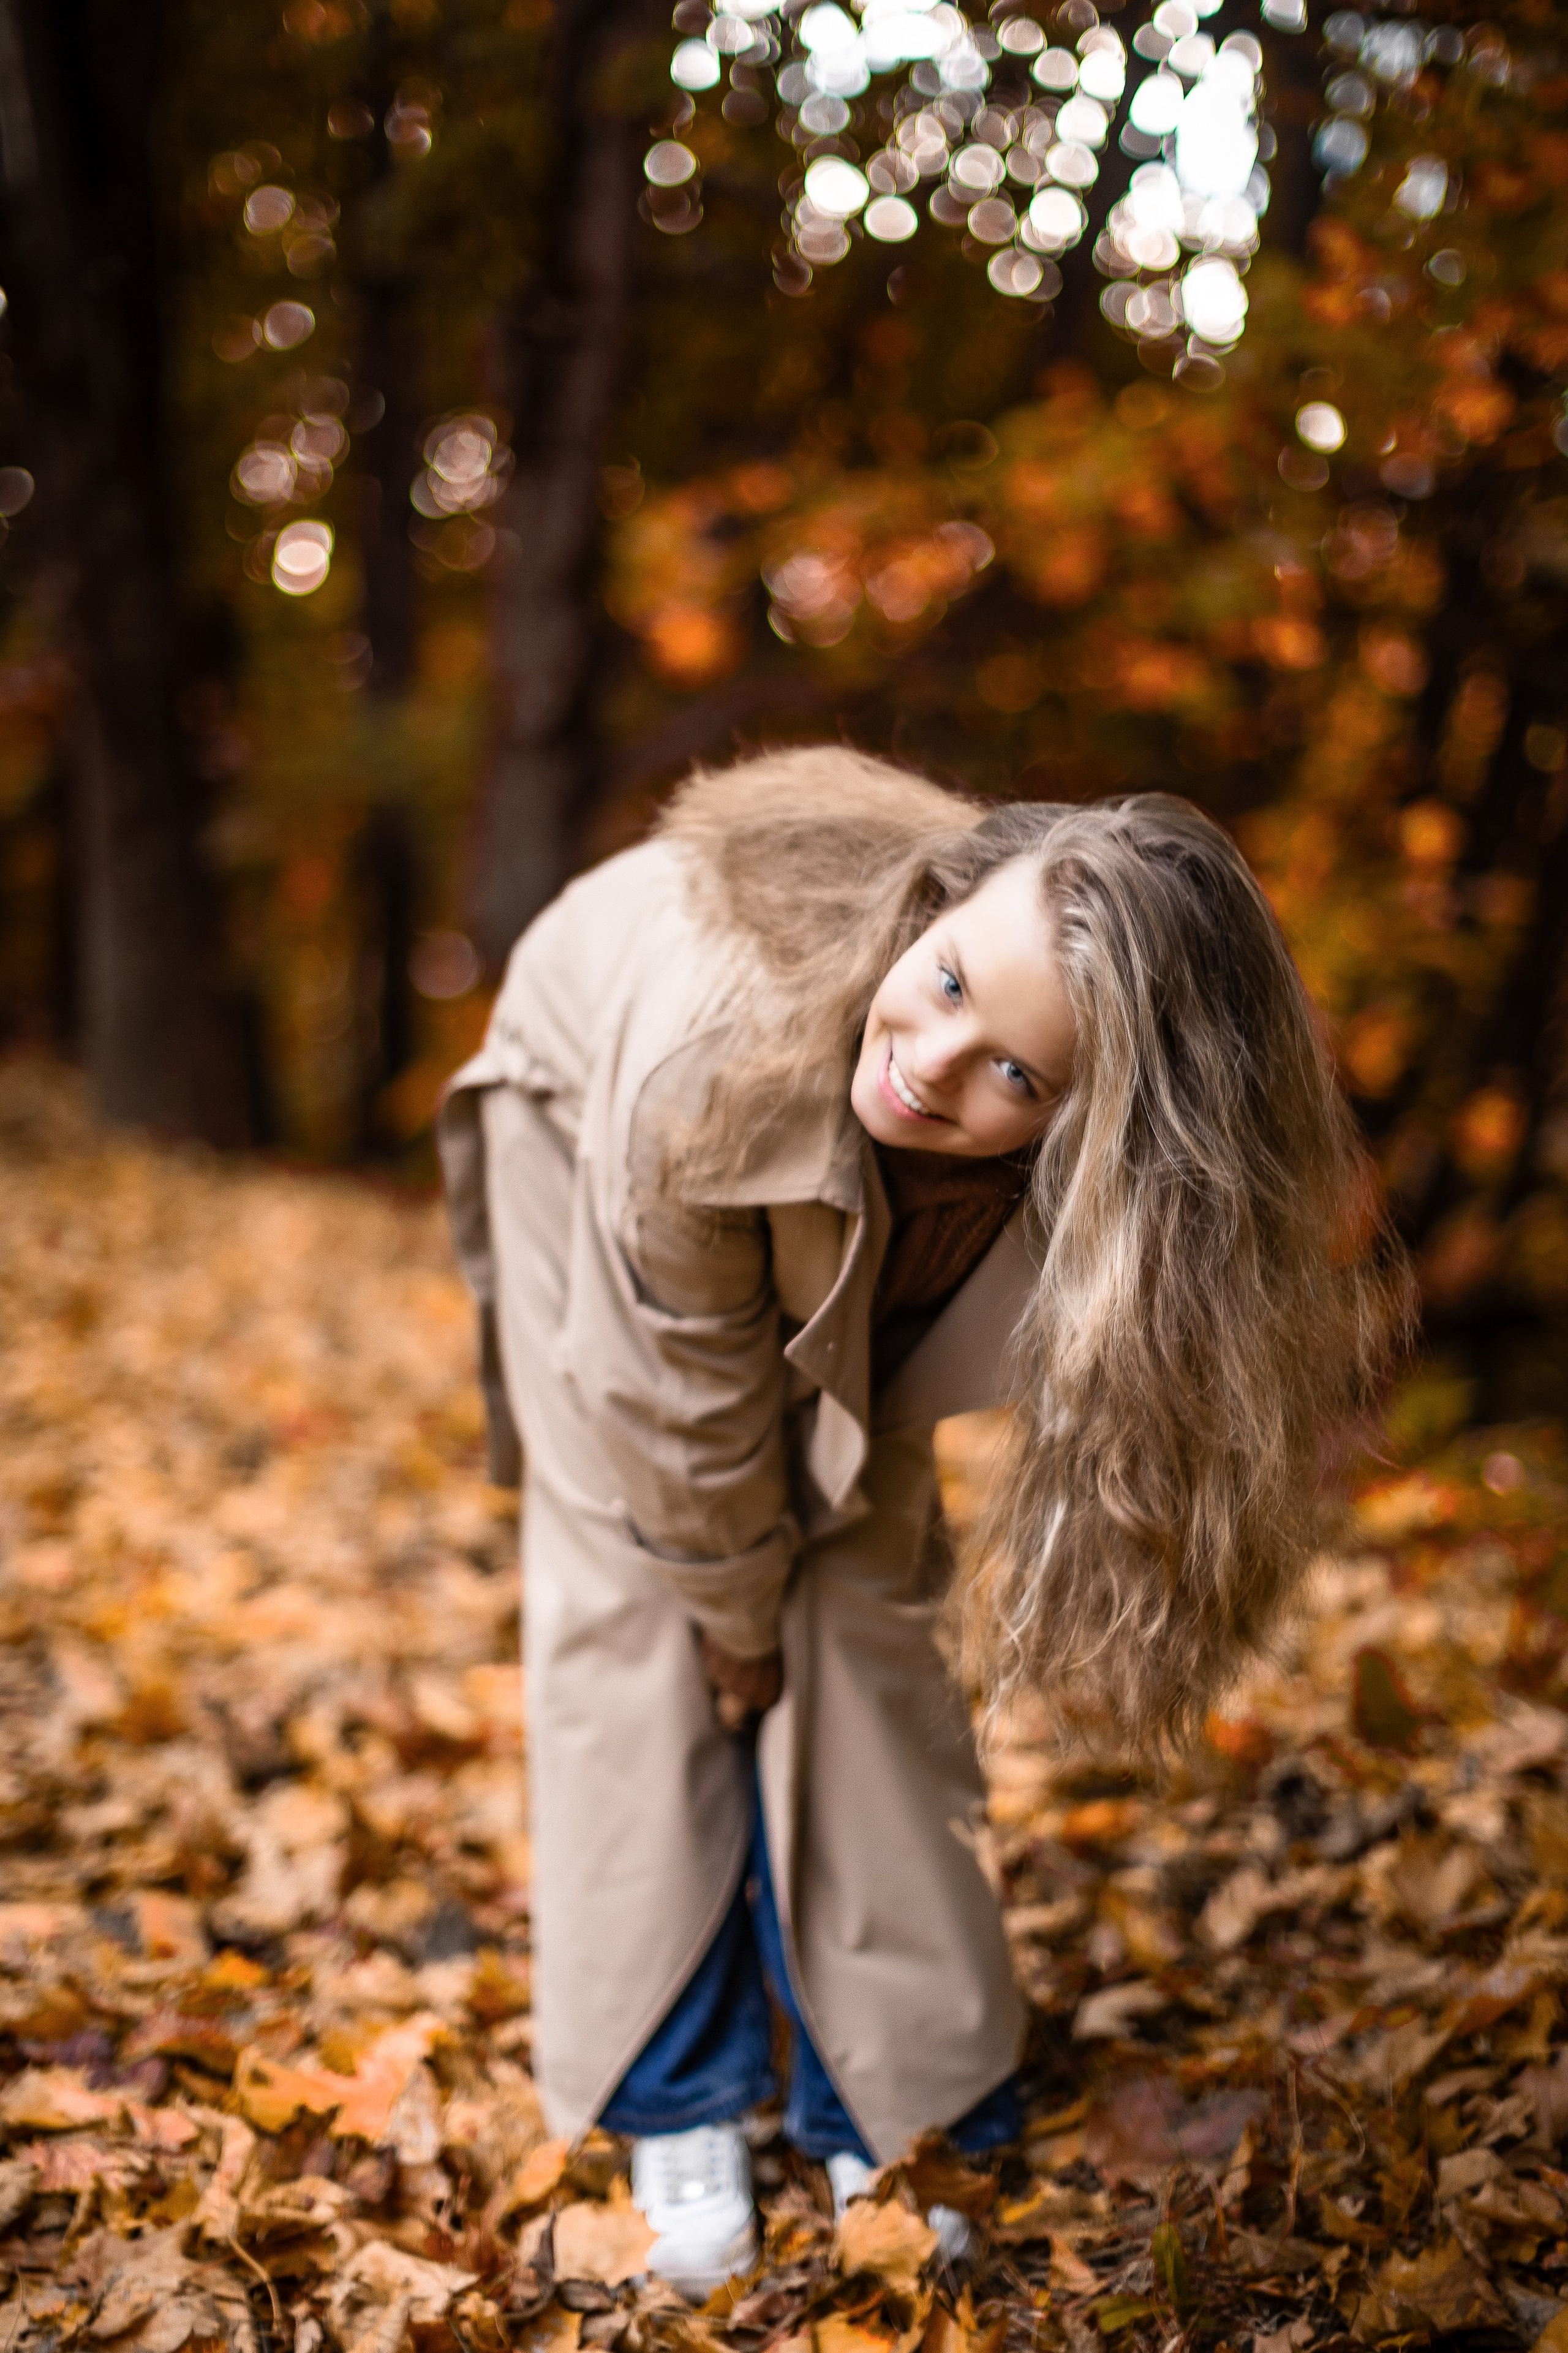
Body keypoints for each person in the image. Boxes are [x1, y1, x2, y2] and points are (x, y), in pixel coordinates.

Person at [438, 748, 1403, 2294]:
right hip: (603, 1127)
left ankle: (887, 2092)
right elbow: (679, 1408)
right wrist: (731, 1617)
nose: (933, 1063)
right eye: (944, 980)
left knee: (864, 1579)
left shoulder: (1094, 1181)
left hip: (853, 1194)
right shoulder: (709, 1050)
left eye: (1016, 1074)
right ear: (945, 901)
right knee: (646, 1578)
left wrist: (792, 1601)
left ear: (1101, 1138)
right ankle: (670, 2085)